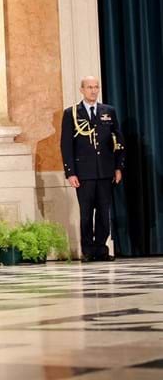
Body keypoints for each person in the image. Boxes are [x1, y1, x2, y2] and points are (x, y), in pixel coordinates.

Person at [61, 76, 125, 262]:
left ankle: (101, 250)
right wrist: (70, 172)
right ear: (82, 90)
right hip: (84, 173)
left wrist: (118, 167)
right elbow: (66, 145)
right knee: (87, 213)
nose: (93, 90)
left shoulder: (108, 111)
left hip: (105, 171)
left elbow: (118, 141)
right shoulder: (72, 113)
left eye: (96, 87)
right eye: (89, 87)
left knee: (104, 214)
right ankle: (88, 251)